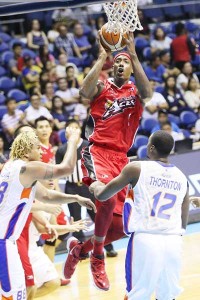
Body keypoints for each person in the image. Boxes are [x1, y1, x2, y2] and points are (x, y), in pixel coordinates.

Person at [63, 32, 152, 290]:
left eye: (126, 62)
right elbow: (84, 90)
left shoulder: (136, 91)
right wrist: (102, 56)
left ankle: (80, 250)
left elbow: (147, 93)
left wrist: (133, 54)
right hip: (98, 152)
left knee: (122, 226)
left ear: (131, 67)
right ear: (113, 66)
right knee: (106, 195)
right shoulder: (103, 86)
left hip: (121, 159)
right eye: (119, 61)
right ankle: (97, 257)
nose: (122, 64)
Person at [90, 130, 189, 300]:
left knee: (137, 294)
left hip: (146, 240)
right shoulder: (182, 177)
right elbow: (184, 218)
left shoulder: (136, 168)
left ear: (150, 148)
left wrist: (95, 186)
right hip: (174, 241)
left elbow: (103, 195)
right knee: (167, 295)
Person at [0, 127, 96, 300]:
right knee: (13, 296)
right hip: (4, 241)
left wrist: (74, 197)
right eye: (37, 147)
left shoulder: (11, 167)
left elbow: (46, 195)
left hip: (8, 241)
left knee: (18, 293)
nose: (41, 150)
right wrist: (73, 140)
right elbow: (66, 168)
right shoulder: (28, 168)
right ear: (27, 152)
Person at [56, 119, 118, 256]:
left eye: (75, 128)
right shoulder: (61, 150)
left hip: (88, 186)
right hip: (72, 187)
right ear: (65, 132)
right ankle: (81, 251)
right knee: (76, 220)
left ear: (80, 130)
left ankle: (108, 248)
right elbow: (58, 171)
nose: (72, 131)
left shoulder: (87, 146)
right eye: (69, 128)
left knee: (99, 218)